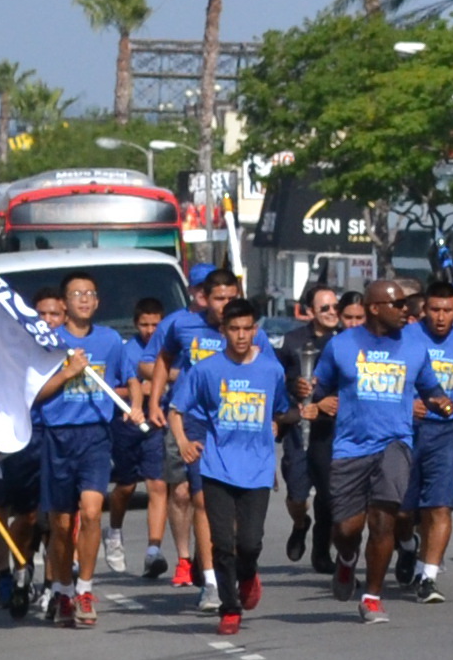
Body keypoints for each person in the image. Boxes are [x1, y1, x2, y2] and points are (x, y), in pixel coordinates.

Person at [22, 272, 148, 627]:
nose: (84, 299)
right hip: (58, 438)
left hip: (95, 436)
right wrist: (68, 372)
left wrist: (135, 405)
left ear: (97, 302)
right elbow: (33, 394)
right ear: (63, 303)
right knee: (61, 526)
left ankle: (85, 589)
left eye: (90, 293)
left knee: (91, 513)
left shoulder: (110, 340)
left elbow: (131, 380)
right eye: (77, 294)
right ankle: (62, 589)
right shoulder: (49, 342)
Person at [307, 280, 424, 623]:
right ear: (376, 308)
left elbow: (430, 386)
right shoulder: (341, 346)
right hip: (350, 446)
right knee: (346, 529)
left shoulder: (414, 348)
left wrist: (440, 401)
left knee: (383, 520)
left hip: (395, 443)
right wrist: (315, 397)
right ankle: (346, 560)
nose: (406, 311)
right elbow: (320, 386)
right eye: (399, 305)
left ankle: (372, 596)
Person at [173, 293, 290, 634]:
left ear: (255, 331)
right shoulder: (207, 369)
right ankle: (229, 607)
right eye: (234, 329)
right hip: (217, 467)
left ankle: (249, 574)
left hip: (256, 468)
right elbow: (176, 410)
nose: (241, 336)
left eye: (247, 329)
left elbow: (279, 410)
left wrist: (277, 424)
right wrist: (183, 442)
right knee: (222, 542)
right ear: (223, 330)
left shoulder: (271, 369)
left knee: (250, 543)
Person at [142, 270, 228, 587]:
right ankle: (184, 558)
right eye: (205, 289)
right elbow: (153, 361)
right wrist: (155, 400)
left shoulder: (238, 326)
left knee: (209, 497)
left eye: (220, 292)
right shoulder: (179, 323)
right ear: (194, 290)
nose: (209, 296)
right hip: (185, 415)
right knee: (180, 492)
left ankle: (216, 559)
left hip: (224, 419)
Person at [401, 279, 453, 599]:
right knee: (402, 511)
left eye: (447, 310)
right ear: (424, 309)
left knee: (440, 506)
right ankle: (407, 545)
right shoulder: (406, 337)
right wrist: (408, 406)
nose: (440, 317)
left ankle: (428, 577)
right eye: (434, 309)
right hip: (406, 431)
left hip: (444, 432)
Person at [277, 280, 343, 566]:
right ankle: (300, 523)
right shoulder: (292, 342)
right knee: (297, 495)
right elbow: (278, 380)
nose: (331, 312)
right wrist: (295, 388)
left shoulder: (345, 341)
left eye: (335, 307)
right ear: (310, 312)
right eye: (324, 307)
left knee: (329, 495)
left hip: (330, 428)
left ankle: (321, 551)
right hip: (299, 427)